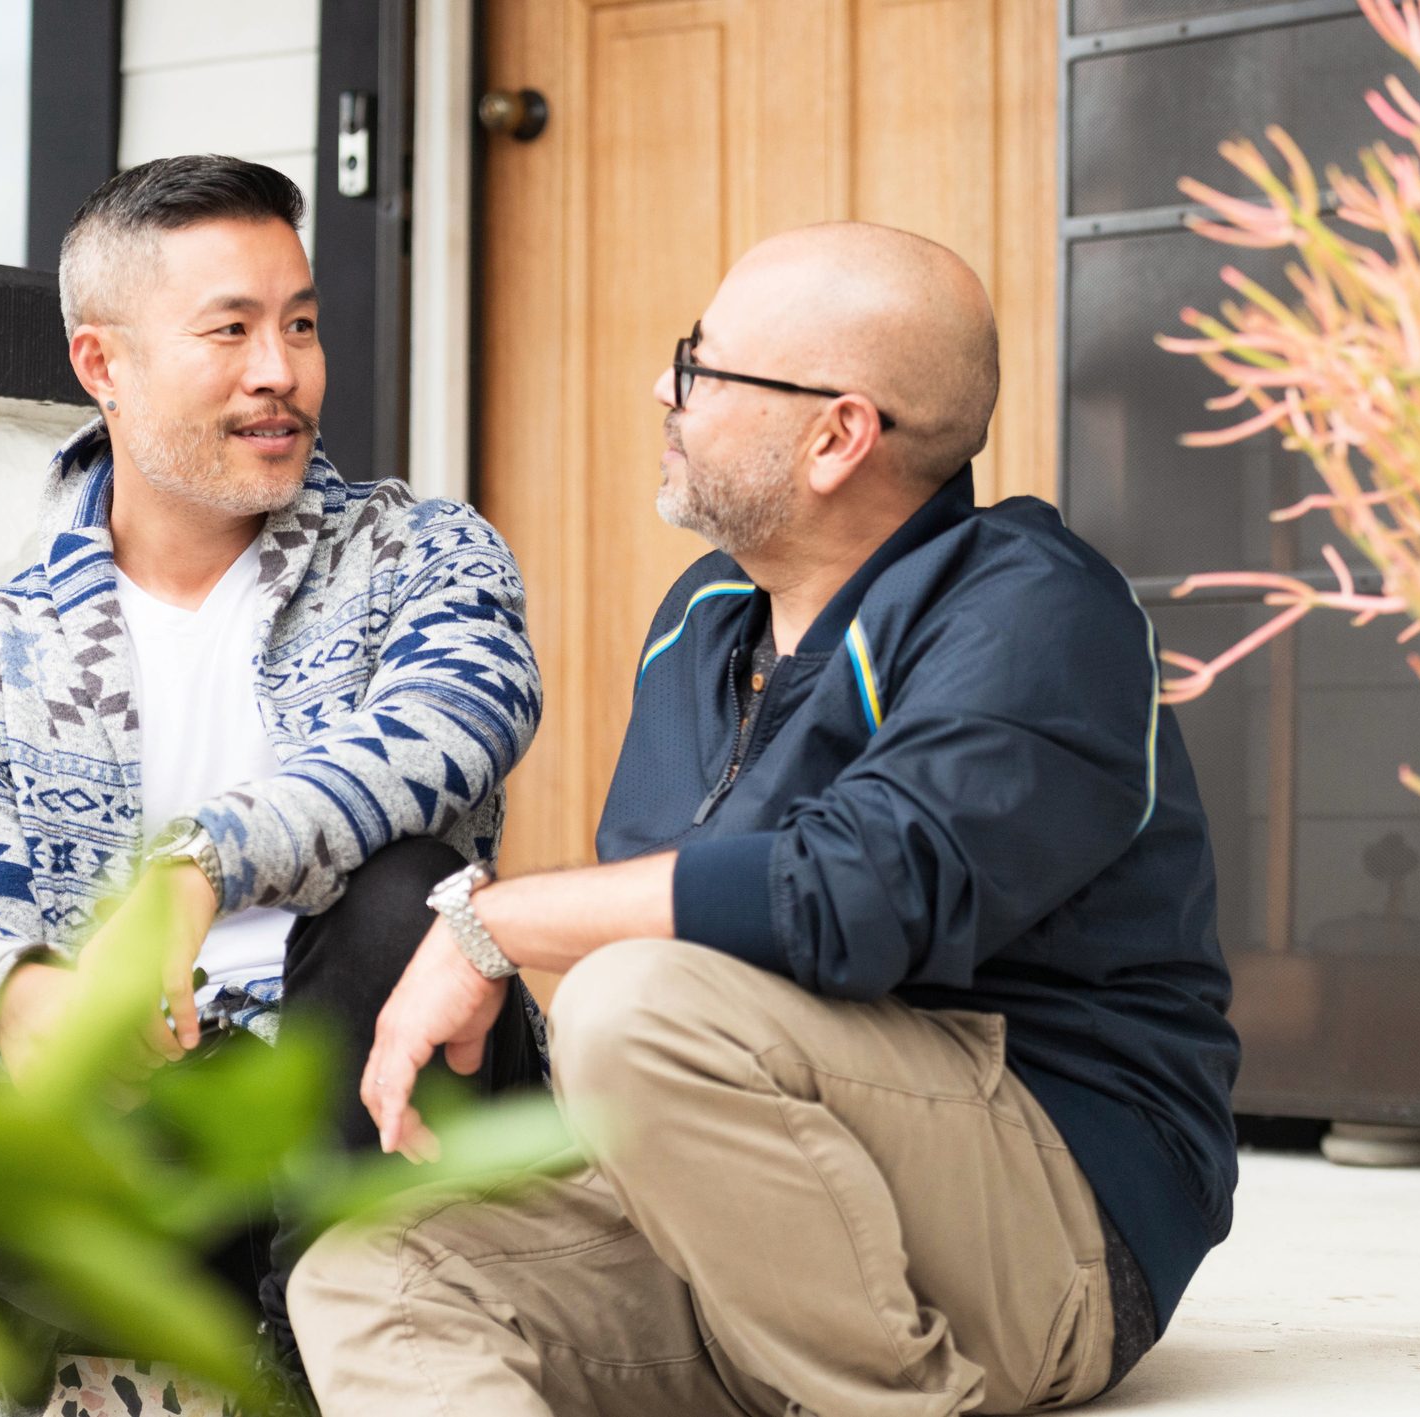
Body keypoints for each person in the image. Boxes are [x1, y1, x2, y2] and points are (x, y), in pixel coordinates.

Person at [288, 222, 1241, 1415]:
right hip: (765, 1207)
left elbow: (860, 897)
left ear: (837, 434)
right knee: (373, 1276)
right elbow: (678, 929)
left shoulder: (1036, 609)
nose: (661, 390)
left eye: (701, 364)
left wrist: (492, 920)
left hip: (1050, 1220)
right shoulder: (706, 618)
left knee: (629, 1005)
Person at [0, 154, 545, 1377]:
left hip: (384, 1103)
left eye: (298, 324)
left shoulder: (419, 552)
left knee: (408, 888)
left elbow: (455, 726)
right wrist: (30, 1000)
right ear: (104, 365)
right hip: (155, 1139)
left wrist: (196, 867)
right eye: (229, 330)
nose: (279, 372)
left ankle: (319, 1332)